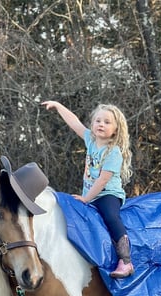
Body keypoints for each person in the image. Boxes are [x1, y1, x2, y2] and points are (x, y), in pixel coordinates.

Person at [41, 100, 135, 278]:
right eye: (98, 121)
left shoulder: (113, 152)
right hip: (91, 195)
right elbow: (74, 122)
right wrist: (58, 106)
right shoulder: (91, 141)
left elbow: (102, 182)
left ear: (116, 130)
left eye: (107, 122)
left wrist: (86, 199)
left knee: (110, 216)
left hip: (107, 194)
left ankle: (126, 260)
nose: (101, 124)